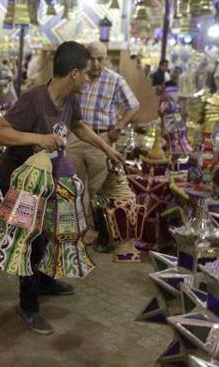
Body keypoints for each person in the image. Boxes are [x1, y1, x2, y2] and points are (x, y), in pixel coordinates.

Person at [0, 41, 123, 335]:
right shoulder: (34, 99)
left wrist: (107, 149)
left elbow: (78, 127)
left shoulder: (70, 99)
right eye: (87, 73)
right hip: (20, 178)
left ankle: (45, 281)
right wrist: (38, 137)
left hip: (48, 178)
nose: (90, 77)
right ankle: (28, 304)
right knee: (32, 242)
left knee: (51, 232)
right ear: (74, 73)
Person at [66, 41, 139, 249]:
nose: (96, 64)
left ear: (106, 59)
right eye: (92, 59)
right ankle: (79, 227)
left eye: (101, 59)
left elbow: (133, 105)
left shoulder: (115, 80)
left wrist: (119, 127)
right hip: (75, 138)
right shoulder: (77, 76)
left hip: (101, 140)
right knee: (74, 185)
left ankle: (100, 232)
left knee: (98, 189)